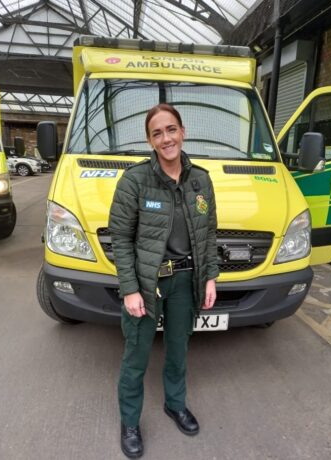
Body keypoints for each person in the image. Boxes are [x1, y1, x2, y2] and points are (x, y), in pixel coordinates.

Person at [109, 103, 219, 458]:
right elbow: (120, 238)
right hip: (146, 283)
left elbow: (208, 233)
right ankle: (129, 422)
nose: (166, 138)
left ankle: (175, 404)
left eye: (171, 129)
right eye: (157, 133)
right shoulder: (135, 181)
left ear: (183, 132)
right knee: (136, 356)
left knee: (178, 351)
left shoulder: (201, 179)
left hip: (186, 280)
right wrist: (129, 289)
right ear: (150, 140)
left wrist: (209, 279)